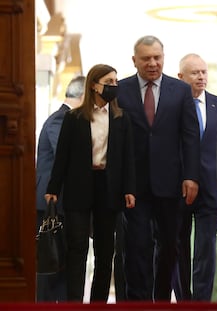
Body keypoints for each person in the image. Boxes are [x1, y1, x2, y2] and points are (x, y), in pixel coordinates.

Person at [117, 36, 200, 302]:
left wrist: (191, 176)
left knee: (169, 248)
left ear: (163, 57)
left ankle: (162, 299)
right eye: (146, 59)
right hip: (134, 185)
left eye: (157, 57)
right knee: (137, 246)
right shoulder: (121, 90)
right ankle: (138, 300)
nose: (153, 63)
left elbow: (190, 136)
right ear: (134, 61)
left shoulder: (180, 90)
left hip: (171, 182)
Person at [45, 64, 136, 302]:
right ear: (94, 85)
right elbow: (62, 157)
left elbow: (128, 158)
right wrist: (53, 189)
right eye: (109, 81)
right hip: (79, 186)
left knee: (105, 253)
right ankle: (74, 302)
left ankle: (98, 304)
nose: (114, 86)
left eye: (116, 81)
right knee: (77, 250)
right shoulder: (74, 118)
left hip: (109, 188)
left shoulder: (121, 118)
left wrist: (129, 189)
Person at [171, 53, 217, 301]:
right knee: (177, 247)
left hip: (212, 188)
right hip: (177, 188)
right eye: (195, 73)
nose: (201, 77)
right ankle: (183, 300)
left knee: (206, 249)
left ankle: (201, 302)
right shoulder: (170, 106)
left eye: (204, 72)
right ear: (181, 77)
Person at [35, 75, 85, 302]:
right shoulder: (60, 119)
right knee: (49, 266)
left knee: (62, 266)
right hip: (51, 206)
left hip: (65, 204)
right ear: (84, 96)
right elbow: (70, 157)